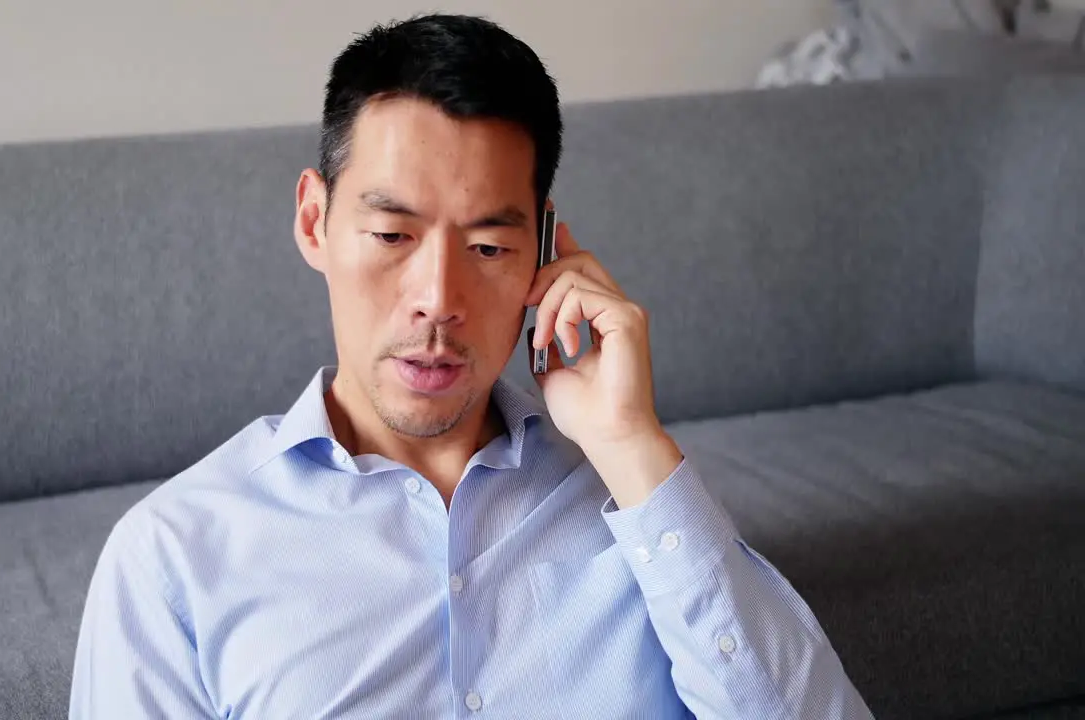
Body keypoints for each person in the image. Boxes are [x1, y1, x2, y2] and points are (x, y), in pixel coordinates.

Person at [69, 13, 874, 718]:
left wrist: (632, 446)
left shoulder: (638, 511)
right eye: (392, 237)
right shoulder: (173, 555)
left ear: (547, 252)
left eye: (488, 247)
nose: (438, 298)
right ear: (315, 221)